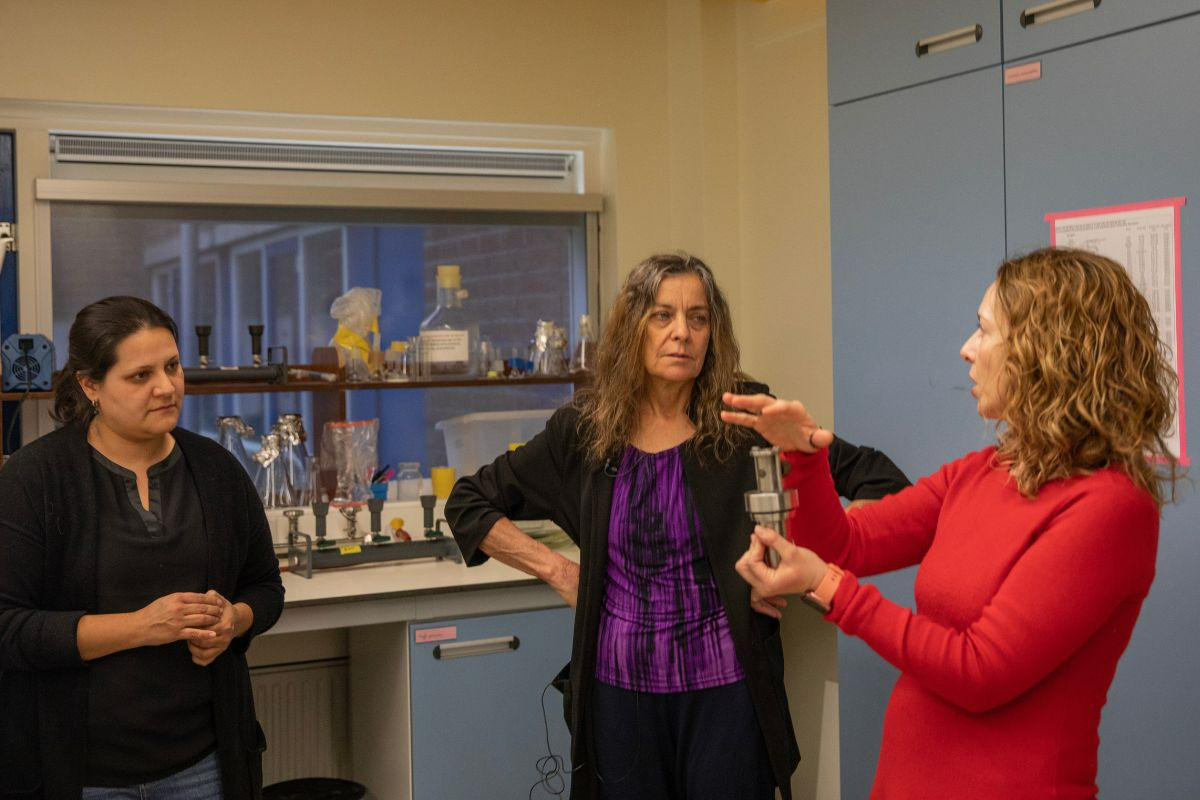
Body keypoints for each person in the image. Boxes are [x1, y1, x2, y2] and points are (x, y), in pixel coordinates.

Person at [445, 252, 909, 799]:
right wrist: (560, 572)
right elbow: (469, 503)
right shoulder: (586, 431)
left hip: (728, 697)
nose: (681, 334)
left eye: (698, 317)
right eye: (662, 316)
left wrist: (792, 567)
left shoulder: (744, 417)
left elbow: (880, 481)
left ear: (714, 332)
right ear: (633, 326)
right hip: (619, 698)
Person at [723, 247, 1180, 800]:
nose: (966, 349)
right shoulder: (980, 473)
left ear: (1046, 354)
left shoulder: (1111, 508)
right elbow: (846, 544)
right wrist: (805, 457)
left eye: (984, 331)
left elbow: (980, 670)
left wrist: (830, 588)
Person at [0, 296, 284, 800]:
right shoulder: (34, 479)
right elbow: (8, 628)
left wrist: (232, 621)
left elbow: (264, 587)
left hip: (204, 765)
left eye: (172, 367)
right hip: (83, 773)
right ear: (91, 386)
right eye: (140, 376)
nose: (166, 387)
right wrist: (141, 627)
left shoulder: (216, 470)